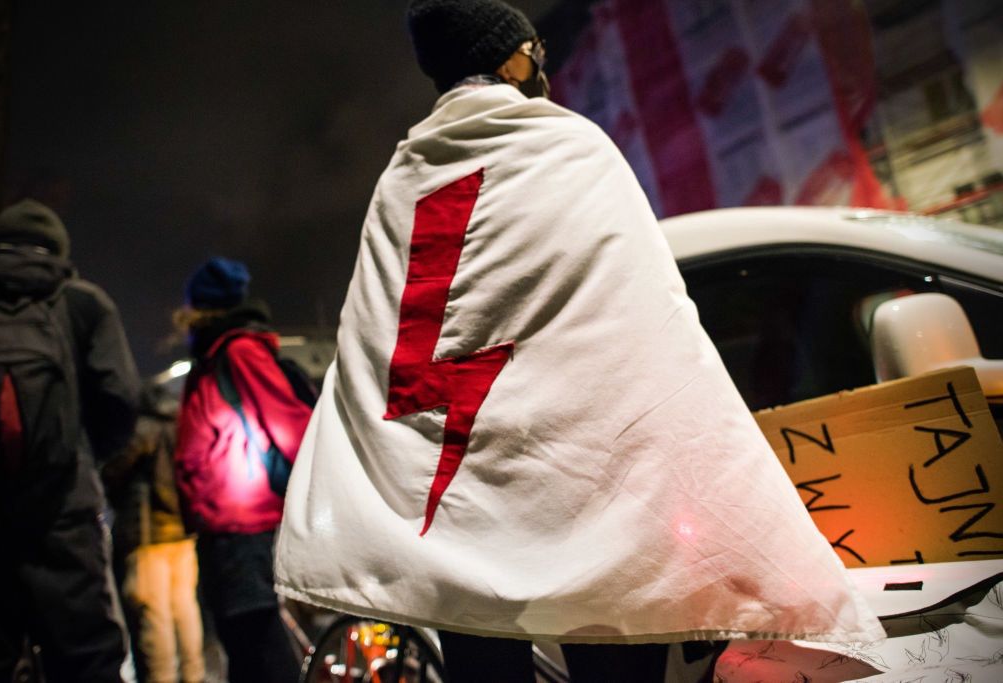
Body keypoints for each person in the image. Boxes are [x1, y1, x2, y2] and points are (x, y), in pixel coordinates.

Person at [275, 1, 885, 682]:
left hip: (458, 503)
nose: (542, 63)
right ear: (509, 60)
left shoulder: (403, 179)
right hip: (585, 484)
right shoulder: (568, 147)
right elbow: (641, 320)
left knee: (480, 650)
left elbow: (375, 347)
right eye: (533, 49)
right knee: (613, 641)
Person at [0, 198, 141, 682]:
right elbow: (121, 399)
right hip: (64, 513)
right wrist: (83, 453)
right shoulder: (83, 303)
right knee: (87, 659)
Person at [172, 257, 309, 683]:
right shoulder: (214, 357)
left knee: (258, 646)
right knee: (245, 652)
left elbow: (290, 424)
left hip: (242, 532)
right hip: (222, 532)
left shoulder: (237, 352)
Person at [102, 382, 205, 683]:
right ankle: (194, 675)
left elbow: (111, 472)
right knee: (186, 611)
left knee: (154, 619)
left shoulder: (141, 430)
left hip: (147, 538)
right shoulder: (181, 427)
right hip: (182, 536)